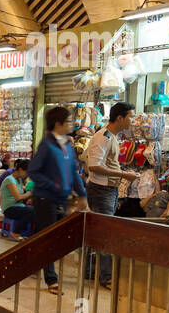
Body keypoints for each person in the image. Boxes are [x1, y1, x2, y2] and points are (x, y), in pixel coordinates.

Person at [28, 105, 87, 296]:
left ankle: (30, 263)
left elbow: (74, 172)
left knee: (47, 238)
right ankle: (51, 279)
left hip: (62, 199)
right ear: (58, 123)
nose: (72, 124)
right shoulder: (47, 145)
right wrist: (54, 186)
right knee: (49, 239)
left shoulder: (68, 146)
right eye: (69, 121)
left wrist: (82, 193)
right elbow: (33, 171)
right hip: (45, 199)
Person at [84, 102, 138, 288]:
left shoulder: (112, 136)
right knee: (106, 233)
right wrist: (124, 175)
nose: (132, 120)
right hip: (101, 190)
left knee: (97, 232)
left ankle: (90, 271)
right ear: (120, 118)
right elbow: (93, 165)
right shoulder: (104, 137)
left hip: (107, 189)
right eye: (130, 116)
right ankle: (106, 277)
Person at [0, 159, 33, 239]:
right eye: (26, 172)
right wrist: (30, 193)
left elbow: (24, 191)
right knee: (31, 211)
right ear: (20, 169)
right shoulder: (10, 179)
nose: (27, 175)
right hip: (9, 209)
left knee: (37, 210)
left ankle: (31, 234)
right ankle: (15, 232)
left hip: (18, 206)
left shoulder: (20, 180)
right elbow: (18, 197)